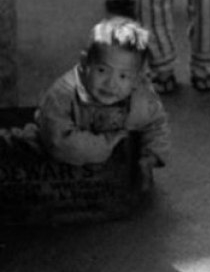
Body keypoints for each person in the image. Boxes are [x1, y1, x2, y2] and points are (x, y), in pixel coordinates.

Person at [36, 16, 170, 190]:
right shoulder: (63, 95)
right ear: (85, 63)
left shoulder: (140, 97)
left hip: (104, 174)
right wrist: (110, 144)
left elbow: (156, 126)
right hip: (58, 161)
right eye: (102, 70)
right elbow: (58, 143)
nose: (111, 84)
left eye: (123, 76)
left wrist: (150, 156)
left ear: (137, 78)